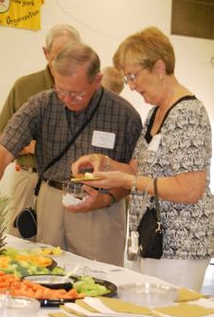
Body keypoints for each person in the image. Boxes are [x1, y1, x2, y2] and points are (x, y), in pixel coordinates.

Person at [0, 43, 142, 266]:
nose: (66, 99)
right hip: (50, 203)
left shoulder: (124, 115)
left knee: (98, 281)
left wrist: (107, 198)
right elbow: (1, 151)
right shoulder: (42, 103)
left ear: (97, 80)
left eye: (76, 93)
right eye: (61, 90)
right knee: (44, 274)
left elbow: (136, 176)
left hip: (101, 210)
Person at [71, 27, 213, 291]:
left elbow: (191, 189)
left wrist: (128, 180)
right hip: (151, 240)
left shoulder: (189, 114)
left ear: (159, 68)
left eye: (134, 76)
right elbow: (137, 168)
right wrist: (104, 162)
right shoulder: (155, 114)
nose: (132, 86)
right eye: (128, 79)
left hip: (179, 246)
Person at [0, 24, 82, 239]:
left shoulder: (87, 90)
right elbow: (0, 140)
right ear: (46, 53)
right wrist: (39, 147)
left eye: (71, 55)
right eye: (59, 56)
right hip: (29, 179)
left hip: (71, 187)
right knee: (20, 245)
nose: (65, 63)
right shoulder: (25, 86)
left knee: (63, 251)